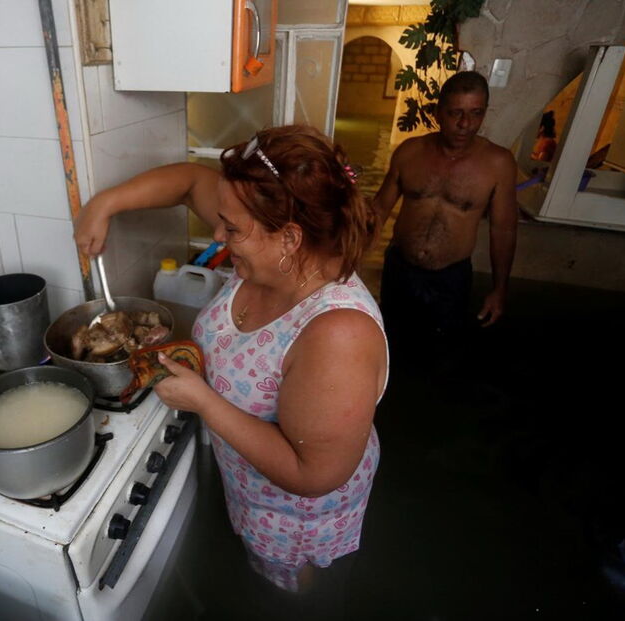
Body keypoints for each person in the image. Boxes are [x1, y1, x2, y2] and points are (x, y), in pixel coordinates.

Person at [75, 125, 389, 593]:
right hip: (245, 486)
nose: (218, 235)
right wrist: (104, 204)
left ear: (289, 238)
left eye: (232, 229)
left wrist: (204, 402)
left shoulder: (338, 334)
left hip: (293, 522)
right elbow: (186, 183)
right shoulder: (272, 244)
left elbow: (314, 474)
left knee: (292, 605)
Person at [372, 70, 518, 354]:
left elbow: (504, 229)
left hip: (450, 278)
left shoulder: (498, 163)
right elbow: (378, 209)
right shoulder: (410, 152)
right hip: (400, 268)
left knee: (442, 351)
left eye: (476, 113)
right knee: (388, 342)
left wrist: (500, 289)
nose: (465, 124)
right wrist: (348, 261)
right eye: (456, 113)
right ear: (438, 112)